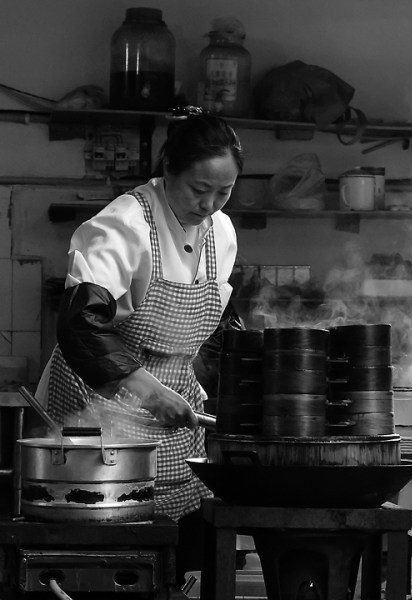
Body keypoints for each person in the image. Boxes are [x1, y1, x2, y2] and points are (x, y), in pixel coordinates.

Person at [36, 106, 243, 584]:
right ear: (168, 168)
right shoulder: (123, 224)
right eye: (199, 189)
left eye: (224, 192)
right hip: (99, 406)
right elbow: (81, 324)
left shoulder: (222, 232)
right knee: (113, 551)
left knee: (179, 558)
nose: (210, 204)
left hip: (176, 414)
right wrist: (148, 391)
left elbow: (212, 329)